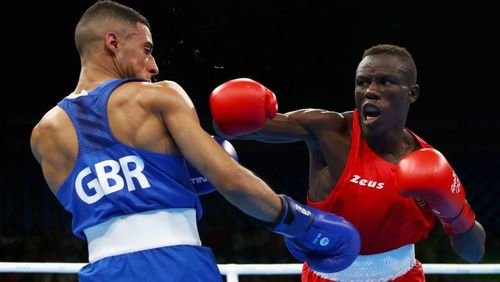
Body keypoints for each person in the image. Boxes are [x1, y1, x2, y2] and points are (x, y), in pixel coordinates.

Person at [29, 1, 362, 281]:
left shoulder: (42, 135)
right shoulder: (157, 97)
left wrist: (167, 173)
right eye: (146, 49)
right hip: (176, 265)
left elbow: (109, 198)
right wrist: (300, 221)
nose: (153, 65)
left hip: (100, 270)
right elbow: (231, 180)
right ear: (113, 42)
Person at [210, 44, 487, 281]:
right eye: (362, 81)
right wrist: (232, 114)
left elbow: (473, 253)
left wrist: (455, 213)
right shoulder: (330, 130)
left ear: (411, 93)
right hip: (324, 276)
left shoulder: (427, 161)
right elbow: (237, 126)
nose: (370, 91)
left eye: (385, 82)